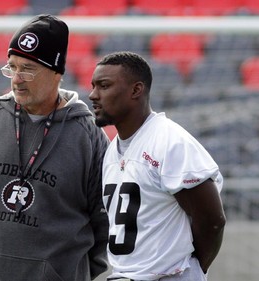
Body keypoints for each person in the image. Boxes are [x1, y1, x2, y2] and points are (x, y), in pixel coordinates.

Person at [0, 14, 110, 281]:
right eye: (11, 67)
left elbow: (102, 224)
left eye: (28, 69)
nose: (16, 79)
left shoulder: (89, 136)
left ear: (57, 73)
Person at [89, 51, 226, 281]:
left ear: (136, 90)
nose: (93, 95)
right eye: (93, 86)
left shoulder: (169, 142)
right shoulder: (113, 148)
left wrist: (191, 269)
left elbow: (212, 220)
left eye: (104, 85)